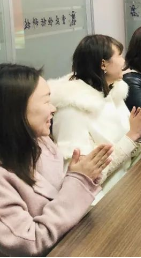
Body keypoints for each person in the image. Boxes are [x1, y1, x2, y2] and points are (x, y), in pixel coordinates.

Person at [0, 64, 113, 256]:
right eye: (46, 101)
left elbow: (57, 194)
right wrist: (78, 180)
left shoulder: (42, 144)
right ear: (16, 109)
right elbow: (30, 243)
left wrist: (81, 173)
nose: (53, 109)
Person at [50, 35, 141, 204]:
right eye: (119, 55)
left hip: (129, 188)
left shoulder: (113, 94)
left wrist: (139, 134)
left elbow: (131, 149)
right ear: (103, 64)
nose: (124, 61)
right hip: (101, 203)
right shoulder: (71, 109)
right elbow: (82, 179)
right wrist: (132, 136)